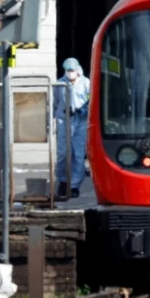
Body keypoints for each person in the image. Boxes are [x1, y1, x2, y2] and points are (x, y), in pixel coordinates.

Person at [53, 57, 90, 198]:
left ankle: (74, 185)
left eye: (72, 70)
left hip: (80, 121)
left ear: (77, 70)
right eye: (68, 70)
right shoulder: (59, 84)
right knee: (62, 153)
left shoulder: (86, 83)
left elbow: (91, 100)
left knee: (78, 154)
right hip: (64, 120)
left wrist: (83, 110)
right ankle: (62, 181)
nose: (70, 73)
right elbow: (54, 102)